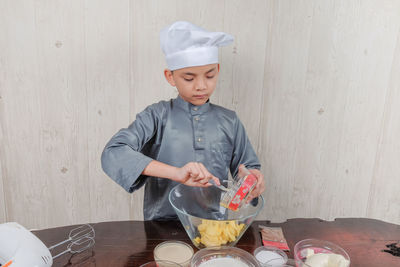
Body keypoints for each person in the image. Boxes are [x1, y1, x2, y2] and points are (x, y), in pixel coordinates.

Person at [101, 21, 265, 220]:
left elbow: (245, 170)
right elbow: (114, 152)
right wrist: (176, 173)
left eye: (210, 75)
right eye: (189, 78)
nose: (201, 86)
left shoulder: (230, 121)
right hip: (161, 228)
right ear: (170, 77)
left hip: (214, 227)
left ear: (218, 69)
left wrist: (252, 180)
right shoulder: (156, 116)